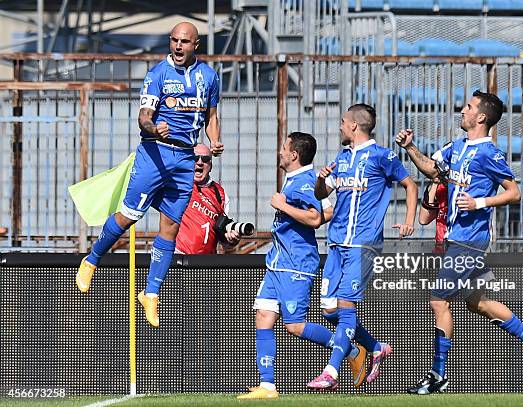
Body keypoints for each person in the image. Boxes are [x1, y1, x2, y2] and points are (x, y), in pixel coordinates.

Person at [396, 90, 523, 394]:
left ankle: (438, 375)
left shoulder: (489, 153)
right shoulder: (457, 147)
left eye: (468, 107)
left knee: (438, 299)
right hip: (458, 237)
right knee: (475, 301)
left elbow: (514, 191)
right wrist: (411, 147)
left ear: (481, 117)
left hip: (470, 240)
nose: (462, 110)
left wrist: (480, 203)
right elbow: (431, 169)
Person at [75, 22, 224, 328]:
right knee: (129, 215)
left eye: (184, 41)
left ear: (196, 45)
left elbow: (211, 116)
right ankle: (92, 259)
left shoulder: (209, 76)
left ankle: (151, 293)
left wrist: (215, 139)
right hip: (155, 153)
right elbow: (143, 118)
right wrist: (155, 127)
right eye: (174, 40)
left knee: (170, 227)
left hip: (185, 157)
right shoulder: (157, 75)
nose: (178, 46)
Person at [238, 132, 368, 399]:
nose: (280, 152)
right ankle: (267, 386)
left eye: (284, 148)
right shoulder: (299, 179)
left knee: (294, 326)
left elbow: (314, 219)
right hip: (277, 261)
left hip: (296, 263)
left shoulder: (305, 181)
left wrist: (283, 207)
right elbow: (327, 210)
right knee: (263, 316)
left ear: (294, 154)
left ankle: (352, 350)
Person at [307, 104, 418, 390]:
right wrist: (321, 180)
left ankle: (331, 371)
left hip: (362, 243)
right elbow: (322, 193)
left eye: (343, 122)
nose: (340, 126)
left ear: (354, 125)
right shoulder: (342, 157)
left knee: (345, 306)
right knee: (329, 310)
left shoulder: (382, 156)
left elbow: (410, 185)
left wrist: (408, 221)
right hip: (336, 242)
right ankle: (375, 347)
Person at [175, 144, 240, 254]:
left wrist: (231, 240)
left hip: (206, 262)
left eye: (205, 159)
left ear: (210, 165)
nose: (199, 162)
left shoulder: (220, 194)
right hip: (178, 257)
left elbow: (223, 239)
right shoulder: (176, 184)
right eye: (195, 158)